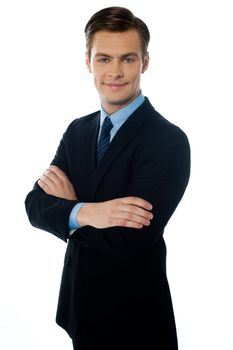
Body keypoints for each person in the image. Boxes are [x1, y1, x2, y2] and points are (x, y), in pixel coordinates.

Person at [25, 6, 190, 350]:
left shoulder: (168, 141)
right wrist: (89, 212)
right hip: (79, 310)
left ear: (145, 62)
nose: (115, 71)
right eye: (104, 59)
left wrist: (69, 206)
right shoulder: (78, 131)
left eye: (127, 59)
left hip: (137, 320)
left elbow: (129, 241)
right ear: (88, 61)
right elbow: (35, 205)